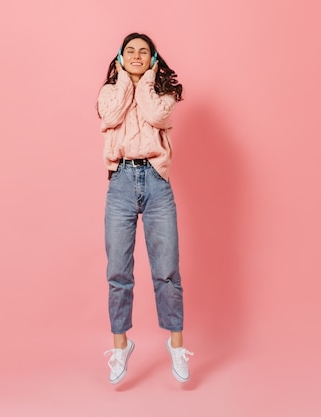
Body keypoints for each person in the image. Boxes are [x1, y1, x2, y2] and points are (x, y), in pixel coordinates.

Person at [97, 33, 193, 384]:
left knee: (167, 270)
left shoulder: (163, 93)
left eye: (144, 52)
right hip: (121, 181)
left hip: (156, 180)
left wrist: (148, 78)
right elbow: (112, 114)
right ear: (120, 57)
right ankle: (121, 347)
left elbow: (154, 115)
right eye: (130, 51)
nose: (137, 55)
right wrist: (125, 78)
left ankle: (177, 346)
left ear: (153, 59)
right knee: (118, 272)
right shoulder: (109, 91)